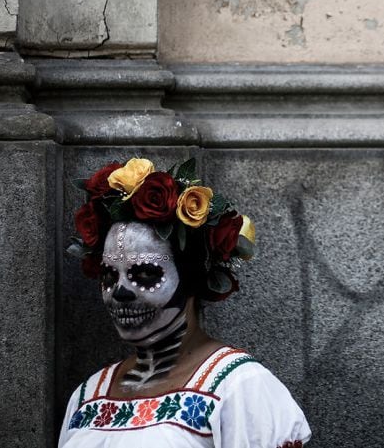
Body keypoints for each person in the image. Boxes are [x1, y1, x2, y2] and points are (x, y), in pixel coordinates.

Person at [58, 157, 311, 448]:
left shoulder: (240, 387)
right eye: (109, 275)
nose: (120, 293)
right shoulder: (88, 396)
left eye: (145, 274)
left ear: (191, 280)